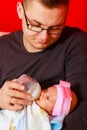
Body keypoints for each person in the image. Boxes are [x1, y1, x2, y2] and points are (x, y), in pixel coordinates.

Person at [0, 0, 87, 129]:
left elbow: (84, 113)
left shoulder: (76, 43)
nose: (44, 37)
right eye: (35, 25)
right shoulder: (2, 48)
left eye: (55, 28)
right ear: (20, 11)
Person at [0, 74, 77, 130]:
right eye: (46, 90)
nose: (43, 92)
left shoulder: (42, 118)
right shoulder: (31, 99)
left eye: (47, 98)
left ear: (51, 112)